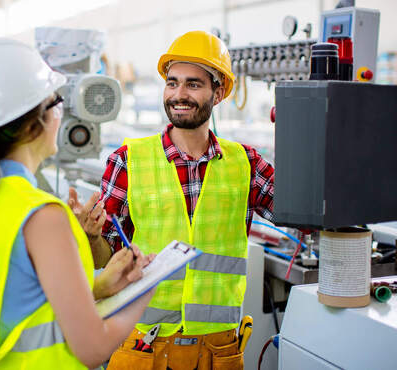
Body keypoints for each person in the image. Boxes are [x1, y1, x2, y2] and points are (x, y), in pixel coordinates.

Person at [0, 38, 156, 370]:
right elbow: (93, 347)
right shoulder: (42, 217)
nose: (61, 113)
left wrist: (98, 287)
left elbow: (16, 302)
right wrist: (145, 292)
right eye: (56, 102)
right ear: (33, 123)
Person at [72, 31, 275, 369]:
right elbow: (104, 260)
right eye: (172, 83)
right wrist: (92, 236)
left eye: (193, 84)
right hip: (145, 346)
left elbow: (304, 211)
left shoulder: (247, 164)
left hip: (217, 350)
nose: (179, 94)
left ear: (219, 92)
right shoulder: (128, 160)